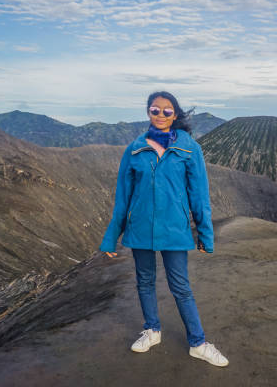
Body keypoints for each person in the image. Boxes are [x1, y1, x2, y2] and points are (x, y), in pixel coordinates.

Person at [98, 91, 229, 367]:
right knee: (144, 281)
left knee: (181, 287)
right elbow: (123, 197)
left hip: (175, 230)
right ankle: (152, 330)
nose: (160, 115)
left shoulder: (189, 148)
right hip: (140, 228)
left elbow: (199, 195)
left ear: (176, 114)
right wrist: (111, 238)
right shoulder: (134, 149)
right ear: (148, 112)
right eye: (155, 110)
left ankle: (198, 342)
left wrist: (205, 234)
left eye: (167, 111)